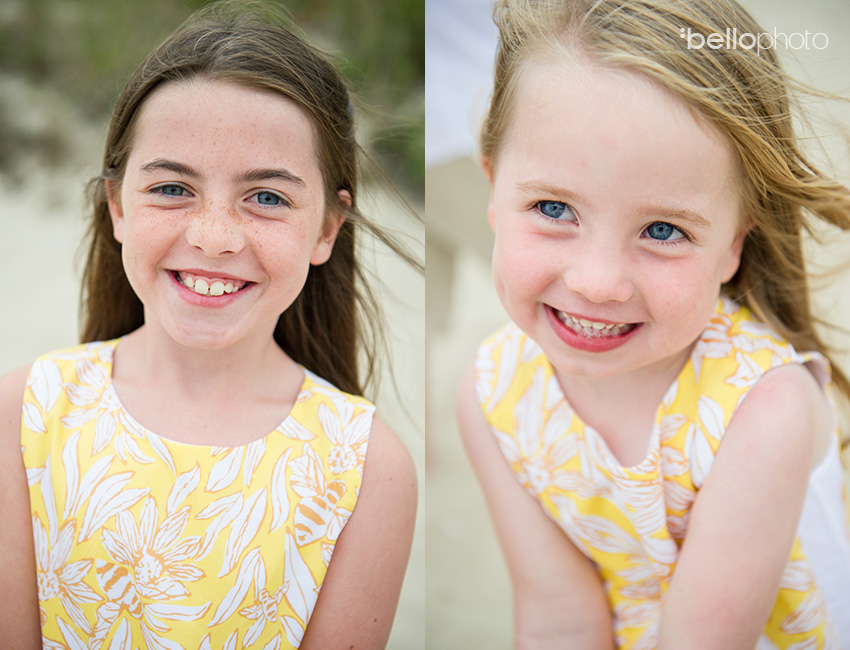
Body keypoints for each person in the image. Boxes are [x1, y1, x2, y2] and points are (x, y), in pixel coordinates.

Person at [0, 2, 419, 648]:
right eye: (172, 188)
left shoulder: (367, 471)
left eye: (268, 197)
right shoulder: (22, 417)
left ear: (327, 229)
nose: (214, 237)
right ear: (116, 206)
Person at [456, 0, 850, 648]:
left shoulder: (761, 410)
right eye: (553, 207)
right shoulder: (491, 396)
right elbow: (560, 617)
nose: (598, 281)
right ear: (493, 189)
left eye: (663, 230)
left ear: (734, 244)